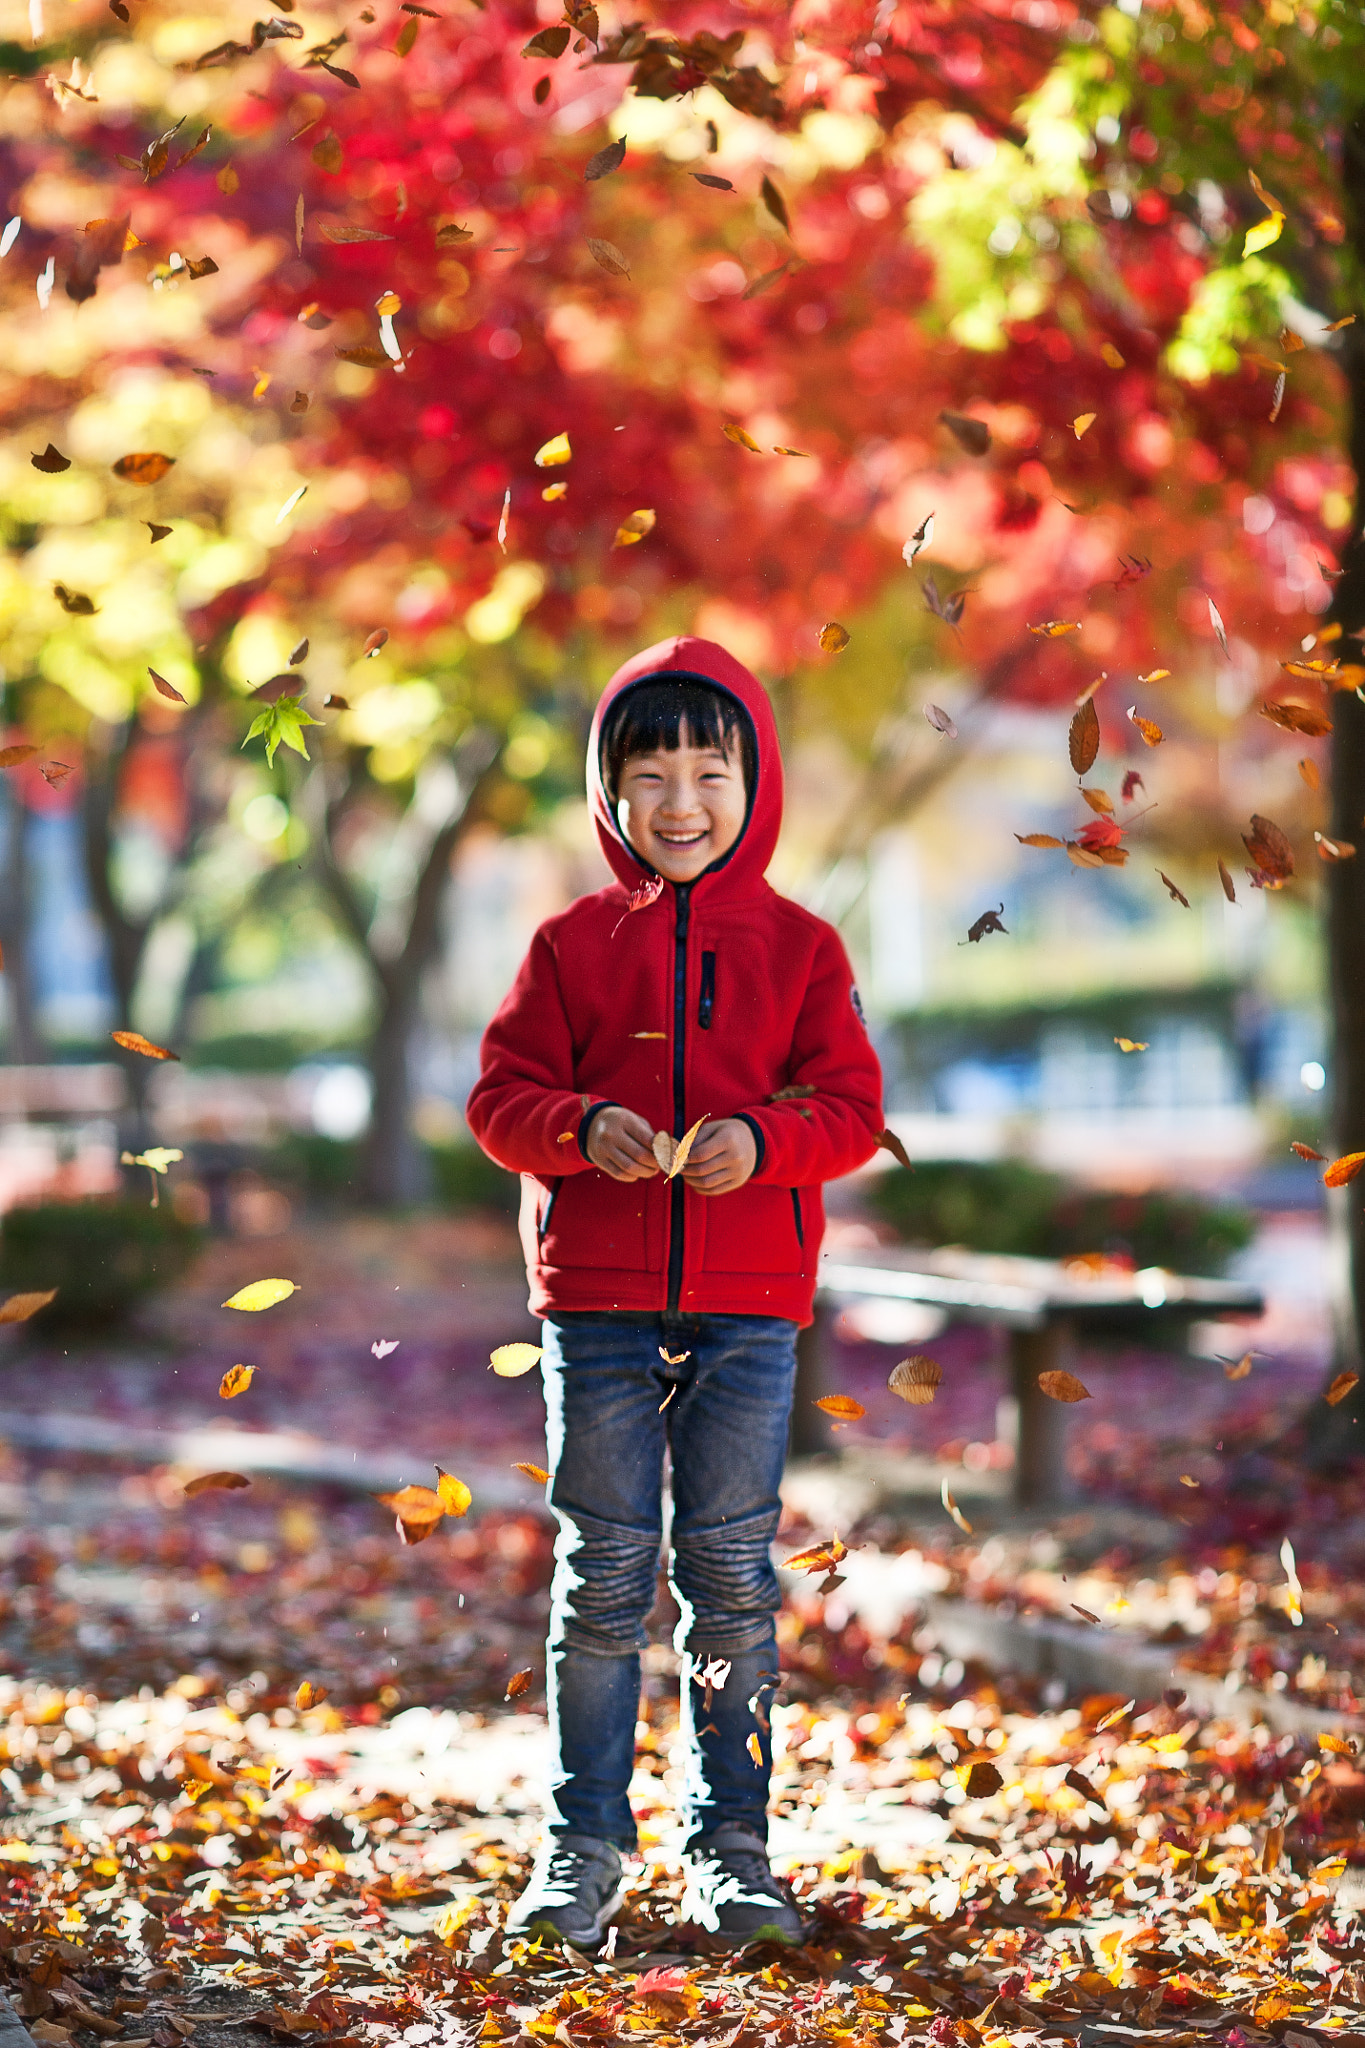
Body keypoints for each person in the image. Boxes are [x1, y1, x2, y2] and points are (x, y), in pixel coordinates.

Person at [466, 635, 884, 1951]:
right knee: (600, 1573)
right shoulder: (568, 946)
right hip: (593, 1308)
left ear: (754, 783)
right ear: (607, 791)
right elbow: (497, 1101)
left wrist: (761, 1141)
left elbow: (849, 1108)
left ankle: (731, 1847)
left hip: (748, 1311)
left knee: (728, 1578)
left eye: (710, 768)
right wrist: (577, 1126)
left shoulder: (802, 948)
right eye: (650, 772)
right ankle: (580, 1846)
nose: (681, 800)